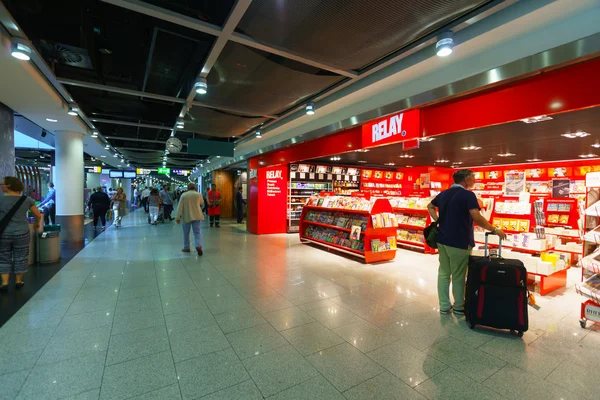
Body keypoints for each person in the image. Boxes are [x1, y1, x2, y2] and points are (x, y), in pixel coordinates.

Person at [427, 169, 507, 316]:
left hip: (442, 239)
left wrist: (437, 220)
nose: (474, 181)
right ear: (465, 180)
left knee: (444, 273)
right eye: (472, 178)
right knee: (458, 274)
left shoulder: (444, 194)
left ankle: (444, 306)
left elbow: (430, 206)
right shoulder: (468, 195)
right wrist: (494, 229)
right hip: (459, 241)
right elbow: (476, 216)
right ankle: (458, 306)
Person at [0, 176, 42, 292]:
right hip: (22, 233)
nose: (1, 186)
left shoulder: (1, 200)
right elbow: (37, 215)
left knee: (3, 256)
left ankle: (5, 282)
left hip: (3, 234)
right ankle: (18, 281)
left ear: (8, 185)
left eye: (2, 184)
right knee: (21, 256)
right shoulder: (26, 200)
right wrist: (36, 224)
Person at [176, 183, 204, 256]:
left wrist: (178, 217)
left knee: (186, 233)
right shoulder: (198, 194)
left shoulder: (184, 195)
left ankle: (187, 247)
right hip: (197, 215)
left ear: (188, 188)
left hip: (186, 216)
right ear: (195, 188)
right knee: (197, 232)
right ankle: (198, 245)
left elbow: (180, 206)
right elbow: (202, 202)